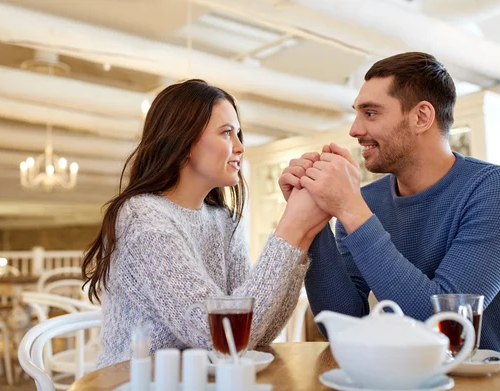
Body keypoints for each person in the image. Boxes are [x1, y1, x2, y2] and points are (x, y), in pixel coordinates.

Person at [279, 52, 500, 364]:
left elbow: (441, 326)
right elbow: (344, 323)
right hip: (412, 379)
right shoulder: (367, 202)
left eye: (370, 113)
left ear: (421, 117)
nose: (354, 130)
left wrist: (350, 209)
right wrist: (316, 219)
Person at [84, 79, 330, 368]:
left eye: (239, 134)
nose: (240, 147)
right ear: (184, 142)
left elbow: (254, 333)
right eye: (227, 133)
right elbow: (218, 335)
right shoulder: (143, 218)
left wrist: (300, 239)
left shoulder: (223, 221)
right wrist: (290, 229)